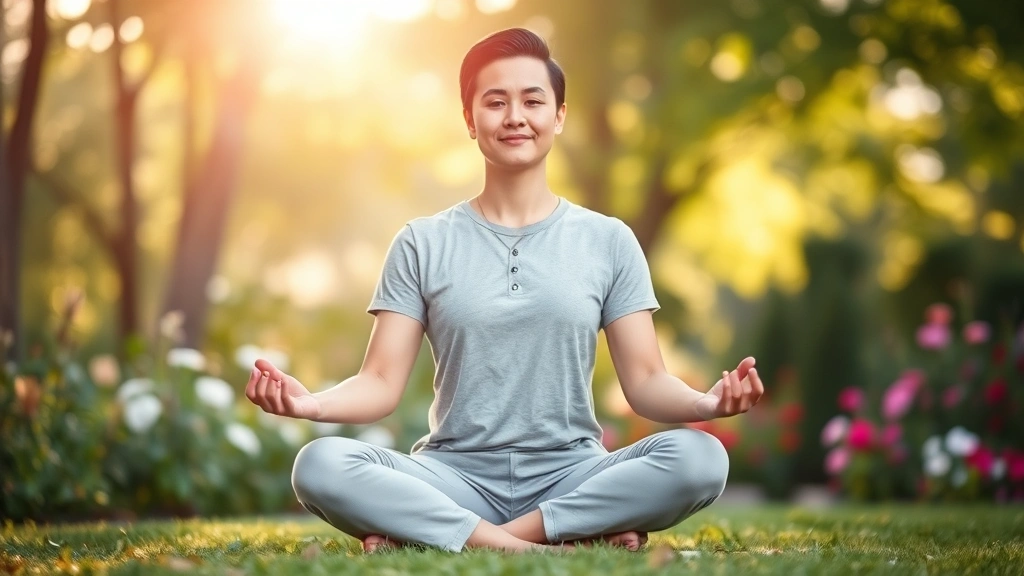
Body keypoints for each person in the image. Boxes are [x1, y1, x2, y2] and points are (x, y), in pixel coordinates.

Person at [244, 27, 764, 554]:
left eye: (533, 100)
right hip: (452, 479)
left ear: (558, 116)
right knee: (320, 464)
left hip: (572, 474)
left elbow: (647, 380)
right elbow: (379, 381)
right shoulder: (421, 242)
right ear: (470, 120)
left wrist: (705, 401)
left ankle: (464, 538)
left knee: (701, 460)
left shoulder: (609, 241)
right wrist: (309, 405)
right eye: (495, 102)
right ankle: (569, 539)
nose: (515, 116)